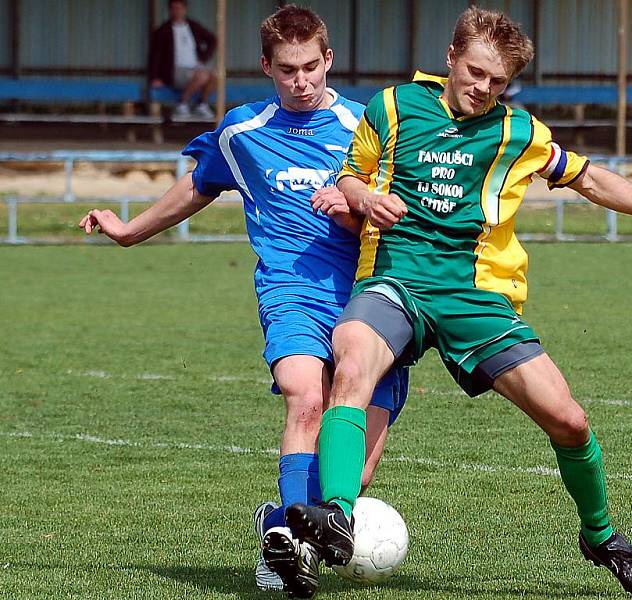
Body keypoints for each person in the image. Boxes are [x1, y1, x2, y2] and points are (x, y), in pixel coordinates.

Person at [289, 6, 632, 598]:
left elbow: (588, 178)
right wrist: (364, 199)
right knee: (350, 358)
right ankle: (335, 512)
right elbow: (352, 174)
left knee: (570, 420)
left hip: (474, 296)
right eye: (475, 71)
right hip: (396, 280)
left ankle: (602, 536)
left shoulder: (519, 133)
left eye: (498, 81)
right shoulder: (394, 106)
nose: (483, 88)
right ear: (452, 58)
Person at [80, 5, 408, 599]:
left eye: (311, 67)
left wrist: (355, 205)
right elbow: (195, 187)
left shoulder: (369, 127)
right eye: (287, 70)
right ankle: (287, 548)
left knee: (349, 478)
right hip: (293, 290)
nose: (301, 81)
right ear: (267, 67)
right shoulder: (242, 133)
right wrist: (130, 231)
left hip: (371, 295)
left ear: (329, 60)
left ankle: (277, 525)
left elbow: (403, 215)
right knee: (305, 395)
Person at [148, 0, 218, 118]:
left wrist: (203, 57)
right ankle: (182, 103)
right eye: (174, 8)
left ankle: (201, 104)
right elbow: (154, 56)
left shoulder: (193, 26)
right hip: (175, 71)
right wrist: (154, 77)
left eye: (180, 8)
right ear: (170, 10)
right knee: (203, 75)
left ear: (185, 9)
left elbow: (212, 40)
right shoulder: (163, 31)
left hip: (195, 68)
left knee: (215, 76)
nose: (177, 11)